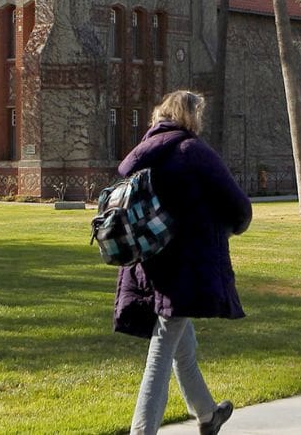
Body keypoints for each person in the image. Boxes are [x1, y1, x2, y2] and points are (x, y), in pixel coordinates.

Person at [113, 90, 252, 435]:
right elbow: (237, 203)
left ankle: (207, 414)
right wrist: (236, 225)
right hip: (185, 264)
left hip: (148, 259)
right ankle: (142, 430)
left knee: (182, 344)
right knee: (163, 346)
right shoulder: (193, 151)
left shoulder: (144, 152)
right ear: (190, 115)